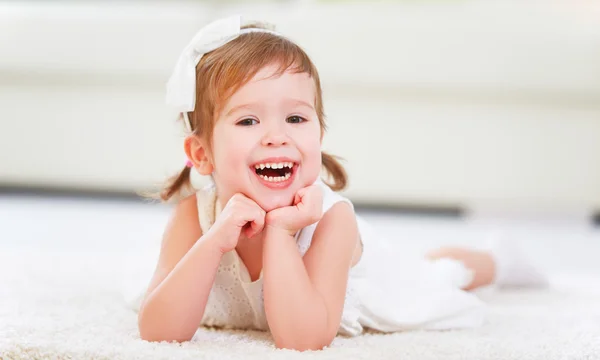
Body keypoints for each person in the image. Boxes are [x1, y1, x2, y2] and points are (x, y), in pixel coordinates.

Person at [133, 15, 547, 351]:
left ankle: (498, 258)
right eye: (248, 120)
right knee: (436, 265)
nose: (277, 136)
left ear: (319, 134)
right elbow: (158, 331)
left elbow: (303, 339)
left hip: (377, 281)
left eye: (296, 118)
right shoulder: (195, 217)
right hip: (218, 227)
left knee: (440, 274)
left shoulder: (333, 220)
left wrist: (280, 231)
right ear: (201, 154)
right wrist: (215, 242)